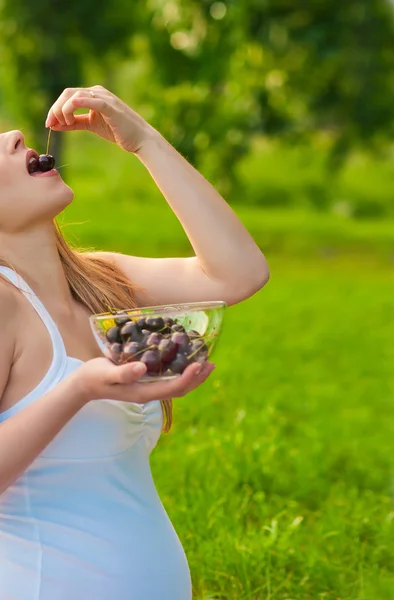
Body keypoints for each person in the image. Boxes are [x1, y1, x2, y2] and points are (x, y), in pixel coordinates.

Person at [0, 85, 269, 600]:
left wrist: (143, 140)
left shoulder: (98, 280)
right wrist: (78, 389)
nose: (14, 135)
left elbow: (240, 274)